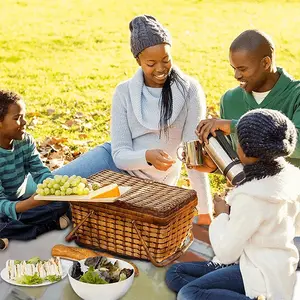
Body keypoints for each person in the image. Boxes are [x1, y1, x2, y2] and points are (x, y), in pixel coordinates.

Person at [53, 15, 214, 224]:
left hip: (150, 185)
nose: (160, 69)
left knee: (74, 205)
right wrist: (146, 156)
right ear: (138, 61)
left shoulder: (190, 90)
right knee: (50, 187)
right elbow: (119, 155)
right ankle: (12, 210)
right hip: (112, 163)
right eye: (151, 63)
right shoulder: (124, 92)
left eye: (166, 60)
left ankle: (58, 216)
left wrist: (205, 213)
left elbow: (193, 156)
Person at [166, 108, 300, 300]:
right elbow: (293, 226)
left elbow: (226, 252)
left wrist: (222, 215)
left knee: (189, 293)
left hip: (258, 274)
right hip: (276, 266)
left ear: (244, 150)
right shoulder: (292, 177)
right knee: (175, 274)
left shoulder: (251, 197)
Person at [196, 29, 300, 168]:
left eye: (242, 69)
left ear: (265, 63)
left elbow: (297, 144)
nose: (236, 75)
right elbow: (237, 160)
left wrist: (234, 126)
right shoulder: (230, 100)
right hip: (249, 188)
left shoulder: (296, 95)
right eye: (234, 68)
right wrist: (214, 166)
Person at [0, 90, 70, 250]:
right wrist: (29, 204)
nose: (24, 122)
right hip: (5, 207)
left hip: (20, 201)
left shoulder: (25, 141)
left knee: (64, 203)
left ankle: (10, 232)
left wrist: (54, 190)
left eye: (23, 116)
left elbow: (40, 171)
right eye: (17, 118)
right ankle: (46, 225)